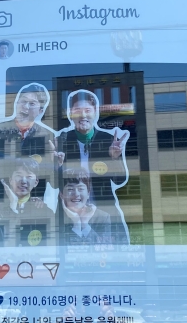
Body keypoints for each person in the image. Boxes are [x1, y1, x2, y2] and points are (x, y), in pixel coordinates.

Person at [51, 90, 130, 244]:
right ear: (70, 114)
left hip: (103, 209)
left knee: (112, 250)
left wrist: (114, 159)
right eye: (77, 111)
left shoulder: (108, 139)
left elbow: (119, 180)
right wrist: (57, 166)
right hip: (70, 210)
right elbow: (54, 186)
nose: (83, 115)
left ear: (95, 113)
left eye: (88, 110)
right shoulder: (61, 141)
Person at [0, 83, 58, 209]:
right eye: (23, 101)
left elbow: (49, 178)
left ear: (40, 111)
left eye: (32, 104)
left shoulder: (48, 137)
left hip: (32, 206)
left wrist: (56, 166)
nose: (25, 107)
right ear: (16, 104)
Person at [0, 158, 55, 247]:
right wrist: (12, 206)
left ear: (36, 182)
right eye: (19, 176)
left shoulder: (44, 211)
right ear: (10, 180)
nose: (23, 181)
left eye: (29, 177)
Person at [60, 168, 112, 245]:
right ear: (61, 195)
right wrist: (77, 224)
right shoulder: (56, 217)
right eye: (70, 189)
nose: (76, 194)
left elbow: (104, 248)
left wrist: (85, 225)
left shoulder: (102, 217)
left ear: (88, 193)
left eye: (80, 189)